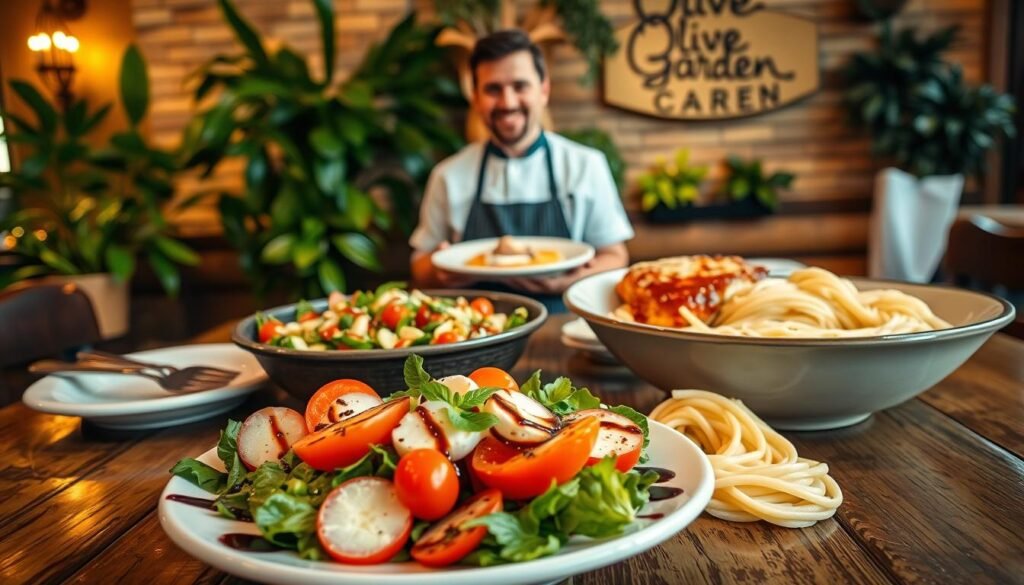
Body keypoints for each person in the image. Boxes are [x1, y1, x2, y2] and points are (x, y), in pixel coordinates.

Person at [409, 29, 633, 309]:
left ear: (544, 90)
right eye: (493, 89)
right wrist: (439, 273)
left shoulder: (585, 165)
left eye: (520, 86)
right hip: (477, 330)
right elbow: (420, 264)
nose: (508, 102)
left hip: (562, 324)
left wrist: (567, 282)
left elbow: (614, 255)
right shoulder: (448, 175)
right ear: (475, 97)